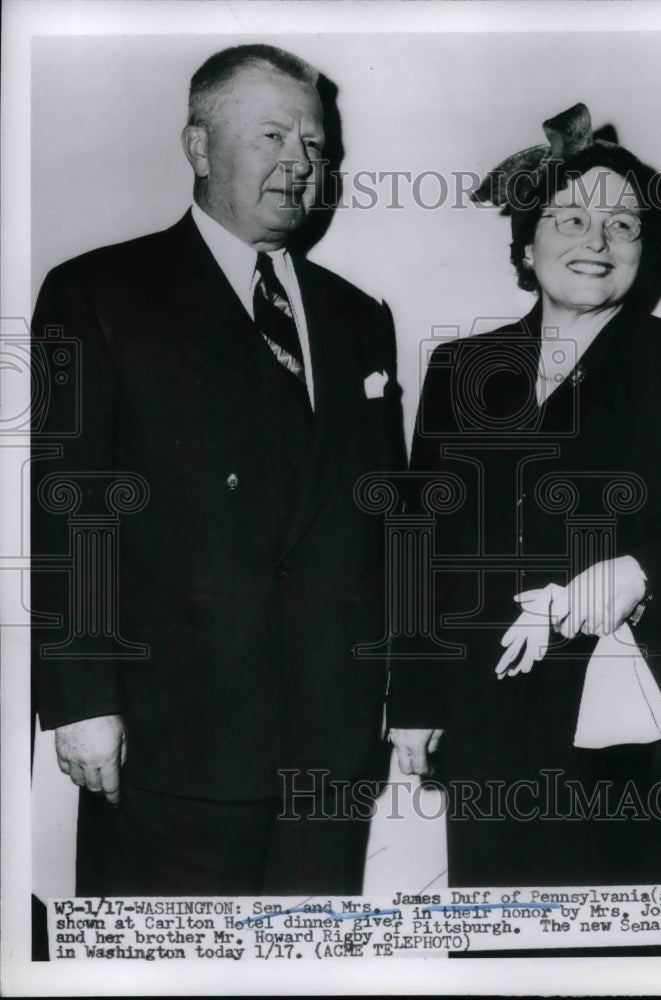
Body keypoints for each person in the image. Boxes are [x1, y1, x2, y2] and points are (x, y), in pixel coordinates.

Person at [31, 44, 405, 896]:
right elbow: (72, 509)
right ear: (198, 148)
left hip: (328, 753)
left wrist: (399, 700)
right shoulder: (99, 293)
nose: (298, 165)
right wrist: (82, 699)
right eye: (271, 135)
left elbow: (386, 528)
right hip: (169, 743)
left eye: (314, 146)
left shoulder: (357, 317)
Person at [388, 104, 661, 887]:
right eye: (568, 219)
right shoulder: (460, 370)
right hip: (495, 737)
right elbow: (424, 547)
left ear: (647, 251)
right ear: (526, 246)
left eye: (623, 226)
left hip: (660, 752)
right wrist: (415, 702)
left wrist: (644, 572)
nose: (596, 242)